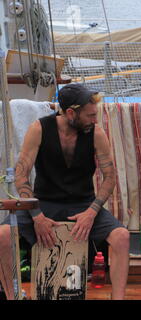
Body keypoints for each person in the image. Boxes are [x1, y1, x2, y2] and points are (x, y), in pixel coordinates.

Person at [0, 83, 130, 300]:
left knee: (122, 237)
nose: (95, 120)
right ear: (70, 112)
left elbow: (110, 178)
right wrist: (36, 215)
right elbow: (21, 175)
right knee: (2, 236)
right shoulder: (39, 128)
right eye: (90, 115)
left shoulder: (96, 133)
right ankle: (12, 296)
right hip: (43, 203)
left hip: (83, 204)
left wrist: (91, 213)